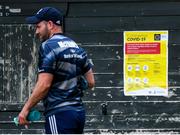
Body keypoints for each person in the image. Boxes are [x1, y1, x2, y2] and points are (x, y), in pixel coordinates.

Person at [18, 7, 95, 134]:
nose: (36, 32)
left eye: (38, 26)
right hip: (78, 114)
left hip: (59, 114)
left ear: (50, 24)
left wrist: (25, 109)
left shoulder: (48, 46)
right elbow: (91, 82)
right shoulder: (76, 47)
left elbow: (44, 84)